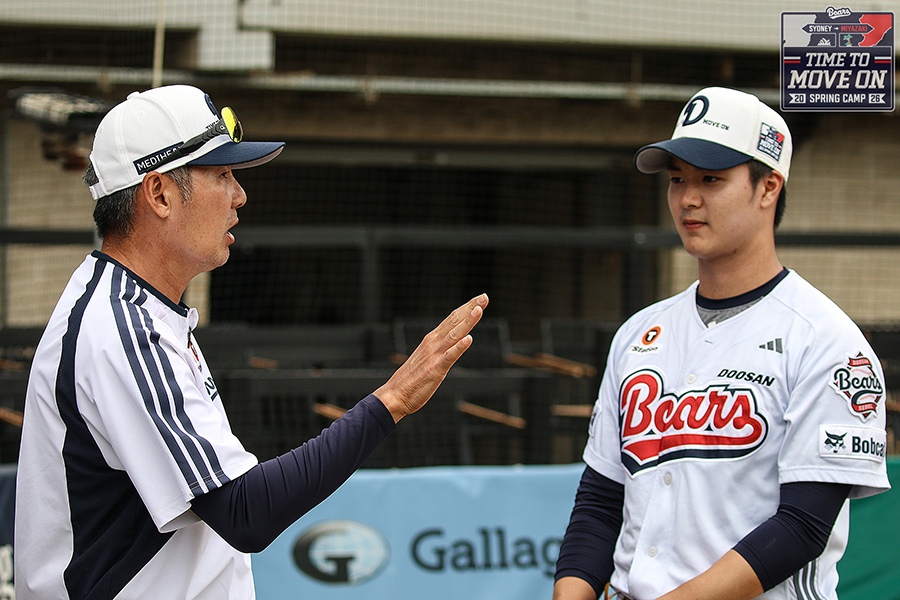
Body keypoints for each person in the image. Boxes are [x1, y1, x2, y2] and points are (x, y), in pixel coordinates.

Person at [14, 84, 489, 600]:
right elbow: (244, 512)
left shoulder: (136, 311)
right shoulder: (121, 328)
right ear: (159, 194)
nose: (239, 195)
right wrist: (391, 401)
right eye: (221, 175)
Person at [552, 87, 890, 600]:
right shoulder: (639, 334)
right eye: (677, 180)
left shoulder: (827, 339)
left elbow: (801, 526)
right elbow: (602, 501)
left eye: (711, 179)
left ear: (768, 188)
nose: (688, 198)